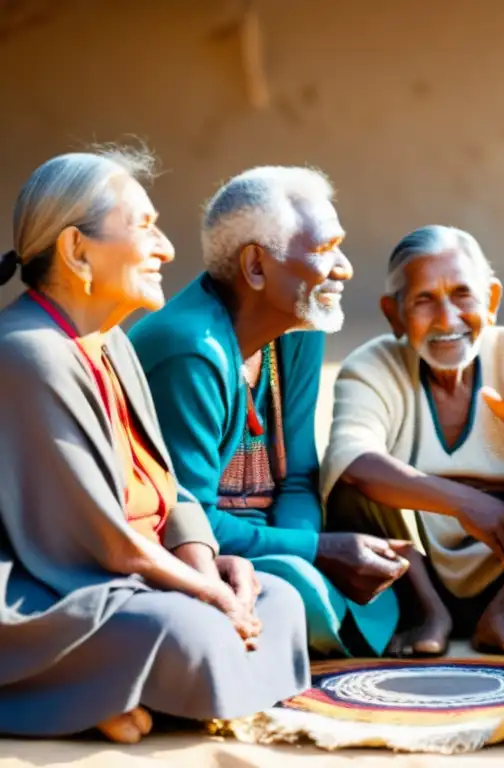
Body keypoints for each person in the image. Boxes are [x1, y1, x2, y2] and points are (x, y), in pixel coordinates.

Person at [0, 148, 309, 743]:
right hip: (52, 590)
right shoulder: (28, 352)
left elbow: (167, 491)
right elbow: (103, 544)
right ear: (76, 250)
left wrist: (210, 567)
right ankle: (82, 692)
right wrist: (208, 594)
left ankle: (112, 691)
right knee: (187, 632)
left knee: (279, 598)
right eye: (144, 227)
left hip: (136, 579)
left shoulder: (112, 342)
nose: (166, 248)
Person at [130, 166, 406, 659]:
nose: (343, 268)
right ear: (256, 266)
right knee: (301, 589)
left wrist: (304, 548)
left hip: (271, 541)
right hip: (196, 554)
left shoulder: (299, 328)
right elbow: (186, 519)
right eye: (325, 249)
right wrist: (318, 552)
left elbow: (299, 475)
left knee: (322, 576)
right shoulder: (191, 348)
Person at [321, 225, 504, 656]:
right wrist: (467, 503)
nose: (446, 319)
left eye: (463, 295)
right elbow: (351, 458)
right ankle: (426, 612)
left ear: (491, 301)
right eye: (423, 300)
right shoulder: (372, 364)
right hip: (414, 568)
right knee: (353, 480)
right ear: (395, 314)